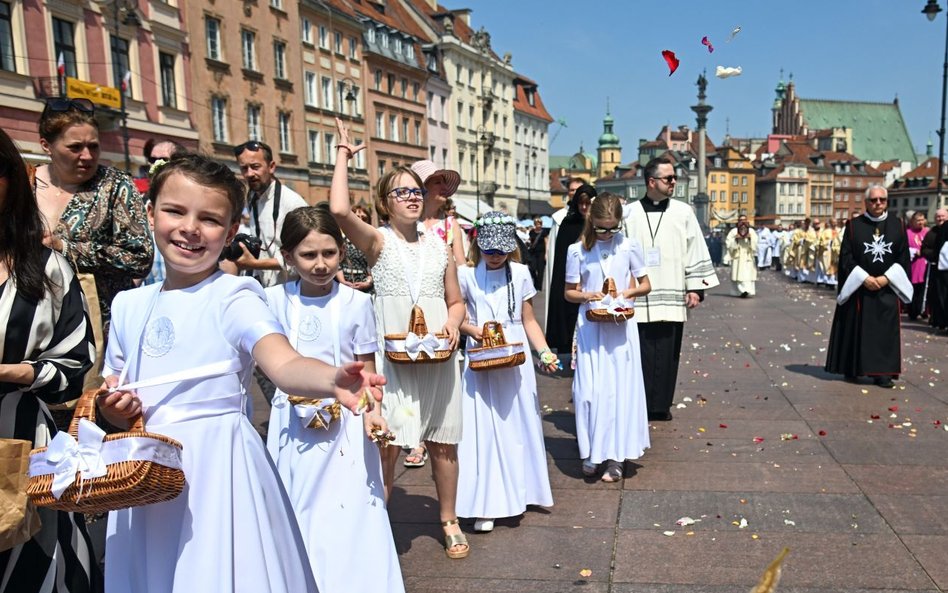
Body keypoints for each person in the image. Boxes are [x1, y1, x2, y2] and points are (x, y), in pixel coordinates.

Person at [96, 154, 385, 592]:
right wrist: (114, 409)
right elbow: (114, 386)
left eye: (210, 219)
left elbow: (284, 362)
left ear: (231, 232)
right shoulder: (128, 305)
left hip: (216, 468)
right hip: (145, 472)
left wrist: (331, 379)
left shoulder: (236, 295)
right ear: (150, 212)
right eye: (175, 211)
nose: (190, 227)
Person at [328, 118, 469, 559]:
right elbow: (337, 212)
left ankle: (448, 519)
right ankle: (377, 519)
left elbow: (456, 300)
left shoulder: (439, 244)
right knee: (388, 442)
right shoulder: (377, 242)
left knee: (443, 442)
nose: (411, 198)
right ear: (385, 203)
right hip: (391, 359)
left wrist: (452, 321)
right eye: (401, 192)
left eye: (416, 191)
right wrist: (343, 157)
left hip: (437, 356)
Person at [265, 205, 403, 593]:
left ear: (342, 253)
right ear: (288, 257)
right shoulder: (273, 301)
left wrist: (374, 412)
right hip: (291, 424)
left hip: (345, 425)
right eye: (308, 255)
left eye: (329, 253)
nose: (321, 264)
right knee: (295, 503)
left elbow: (367, 369)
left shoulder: (357, 304)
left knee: (349, 507)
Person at [0, 128, 100, 593]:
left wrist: (20, 372)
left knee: (30, 573)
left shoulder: (45, 267)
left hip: (22, 446)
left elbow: (76, 365)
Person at [32, 97, 153, 389]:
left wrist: (67, 248)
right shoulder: (25, 183)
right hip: (33, 323)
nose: (86, 156)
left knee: (92, 416)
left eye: (93, 146)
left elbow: (140, 256)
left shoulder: (114, 185)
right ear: (46, 145)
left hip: (98, 329)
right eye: (74, 147)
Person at [456, 212, 558, 532]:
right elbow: (455, 316)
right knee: (482, 429)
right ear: (478, 246)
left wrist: (543, 350)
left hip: (515, 354)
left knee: (517, 425)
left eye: (501, 250)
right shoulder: (466, 275)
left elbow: (528, 318)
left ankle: (521, 490)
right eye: (489, 250)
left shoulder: (521, 272)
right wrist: (474, 331)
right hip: (481, 352)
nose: (495, 256)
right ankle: (486, 502)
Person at [622, 157, 719, 421]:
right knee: (638, 354)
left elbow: (695, 249)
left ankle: (661, 406)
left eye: (674, 177)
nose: (674, 182)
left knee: (667, 354)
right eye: (669, 178)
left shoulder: (683, 212)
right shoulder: (629, 213)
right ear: (651, 182)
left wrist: (696, 289)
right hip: (637, 297)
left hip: (672, 293)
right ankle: (638, 404)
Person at [566, 193, 651, 481]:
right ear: (591, 221)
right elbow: (569, 292)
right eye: (602, 228)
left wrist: (626, 293)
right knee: (588, 392)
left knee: (618, 391)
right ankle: (592, 450)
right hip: (591, 325)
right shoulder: (576, 250)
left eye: (612, 228)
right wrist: (587, 294)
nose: (607, 234)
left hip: (620, 326)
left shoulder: (628, 246)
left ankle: (616, 456)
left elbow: (645, 284)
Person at [825, 185, 912, 388]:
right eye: (873, 200)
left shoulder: (897, 225)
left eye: (882, 199)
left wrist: (886, 278)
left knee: (884, 332)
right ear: (866, 203)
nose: (878, 203)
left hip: (887, 288)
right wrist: (864, 278)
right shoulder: (854, 225)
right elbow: (846, 257)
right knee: (857, 329)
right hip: (860, 289)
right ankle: (853, 367)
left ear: (887, 202)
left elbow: (903, 257)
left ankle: (883, 373)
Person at [232, 140, 308, 288]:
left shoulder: (292, 203)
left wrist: (254, 264)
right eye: (244, 168)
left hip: (291, 290)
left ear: (271, 167)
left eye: (255, 167)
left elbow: (303, 255)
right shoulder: (252, 198)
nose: (249, 174)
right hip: (265, 288)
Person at [544, 183, 594, 361]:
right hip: (570, 281)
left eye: (588, 203)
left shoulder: (599, 224)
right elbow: (559, 259)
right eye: (580, 203)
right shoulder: (566, 223)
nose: (583, 207)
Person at [143, 141, 187, 287]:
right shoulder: (141, 204)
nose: (156, 164)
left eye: (163, 160)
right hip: (153, 289)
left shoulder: (191, 202)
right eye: (152, 160)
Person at [542, 178, 584, 317]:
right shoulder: (559, 217)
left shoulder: (592, 217)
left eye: (579, 189)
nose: (575, 193)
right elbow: (554, 251)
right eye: (572, 190)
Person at [337, 204, 375, 293]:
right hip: (344, 286)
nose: (360, 220)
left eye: (364, 218)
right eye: (357, 217)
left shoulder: (372, 242)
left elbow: (375, 267)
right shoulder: (341, 239)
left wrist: (368, 283)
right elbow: (336, 263)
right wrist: (342, 281)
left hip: (365, 287)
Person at [922, 208, 948, 330]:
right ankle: (939, 320)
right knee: (938, 296)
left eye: (943, 216)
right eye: (938, 216)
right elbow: (928, 249)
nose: (940, 219)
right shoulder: (933, 232)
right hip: (939, 267)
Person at [725, 214, 758, 297]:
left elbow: (756, 244)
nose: (743, 222)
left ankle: (747, 290)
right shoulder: (733, 231)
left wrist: (750, 239)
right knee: (738, 274)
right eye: (741, 220)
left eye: (744, 220)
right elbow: (728, 244)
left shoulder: (751, 231)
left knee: (747, 274)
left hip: (747, 256)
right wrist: (736, 240)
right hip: (738, 256)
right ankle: (739, 291)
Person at [906, 211, 930, 321]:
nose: (920, 222)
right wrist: (914, 252)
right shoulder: (907, 233)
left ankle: (922, 310)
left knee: (923, 289)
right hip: (912, 264)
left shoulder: (928, 232)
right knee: (912, 289)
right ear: (913, 221)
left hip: (924, 264)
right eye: (918, 220)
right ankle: (912, 311)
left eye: (922, 220)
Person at [527, 217, 549, 290]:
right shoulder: (532, 232)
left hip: (541, 253)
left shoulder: (544, 232)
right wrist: (528, 243)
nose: (538, 225)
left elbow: (546, 243)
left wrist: (546, 254)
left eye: (540, 224)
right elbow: (530, 240)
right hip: (533, 253)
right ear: (535, 224)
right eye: (537, 224)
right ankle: (535, 282)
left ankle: (539, 287)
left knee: (540, 270)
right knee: (532, 268)